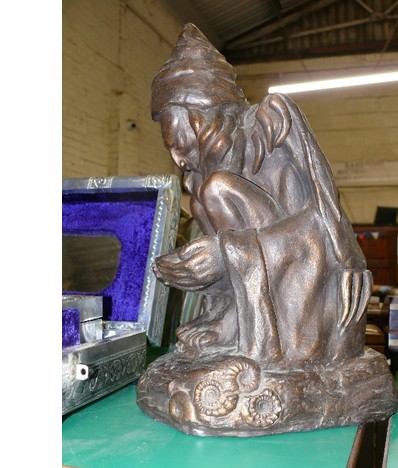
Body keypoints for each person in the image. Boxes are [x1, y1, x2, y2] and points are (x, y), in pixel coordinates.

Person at [151, 23, 371, 369]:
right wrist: (197, 269)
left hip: (304, 278)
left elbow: (324, 211)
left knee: (217, 189)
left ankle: (260, 336)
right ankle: (234, 319)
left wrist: (225, 254)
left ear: (201, 122)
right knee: (202, 196)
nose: (178, 160)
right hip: (267, 266)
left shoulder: (272, 124)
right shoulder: (199, 182)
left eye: (178, 144)